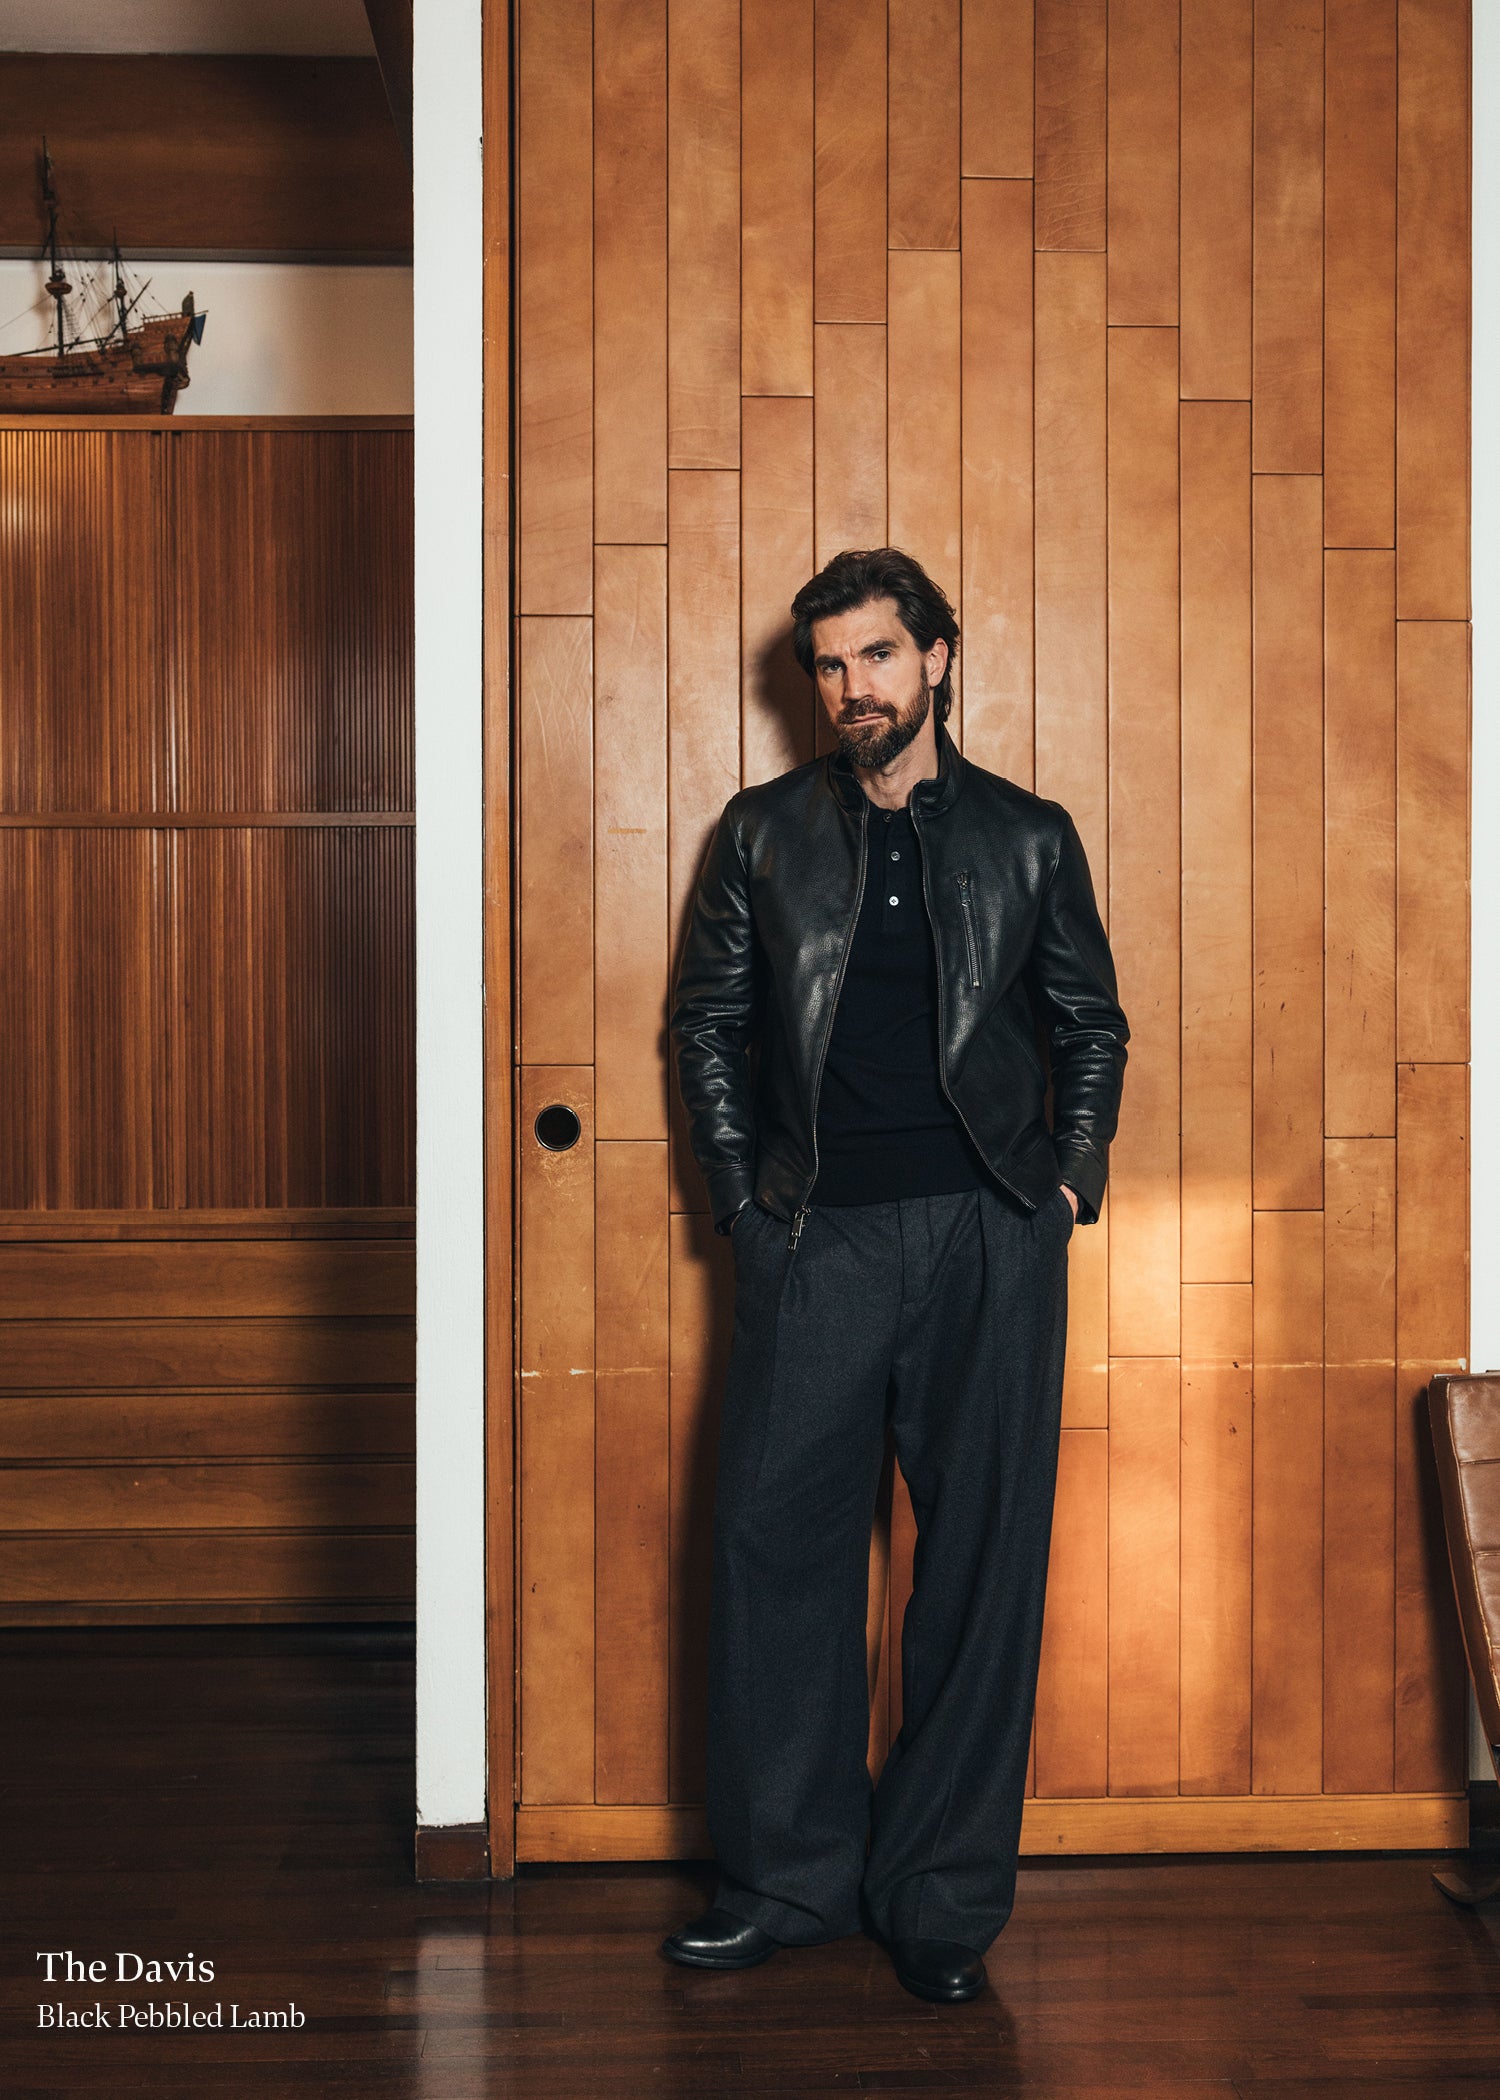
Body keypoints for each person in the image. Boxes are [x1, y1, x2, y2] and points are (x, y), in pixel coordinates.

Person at [663, 548, 1129, 2003]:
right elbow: (709, 1029)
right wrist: (743, 1206)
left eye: (876, 656)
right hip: (817, 1239)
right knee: (773, 1558)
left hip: (990, 1232)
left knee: (981, 1572)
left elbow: (1090, 1020)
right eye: (826, 665)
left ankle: (937, 1899)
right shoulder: (758, 837)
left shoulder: (1027, 836)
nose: (851, 689)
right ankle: (788, 1882)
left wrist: (1065, 1182)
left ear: (936, 657)